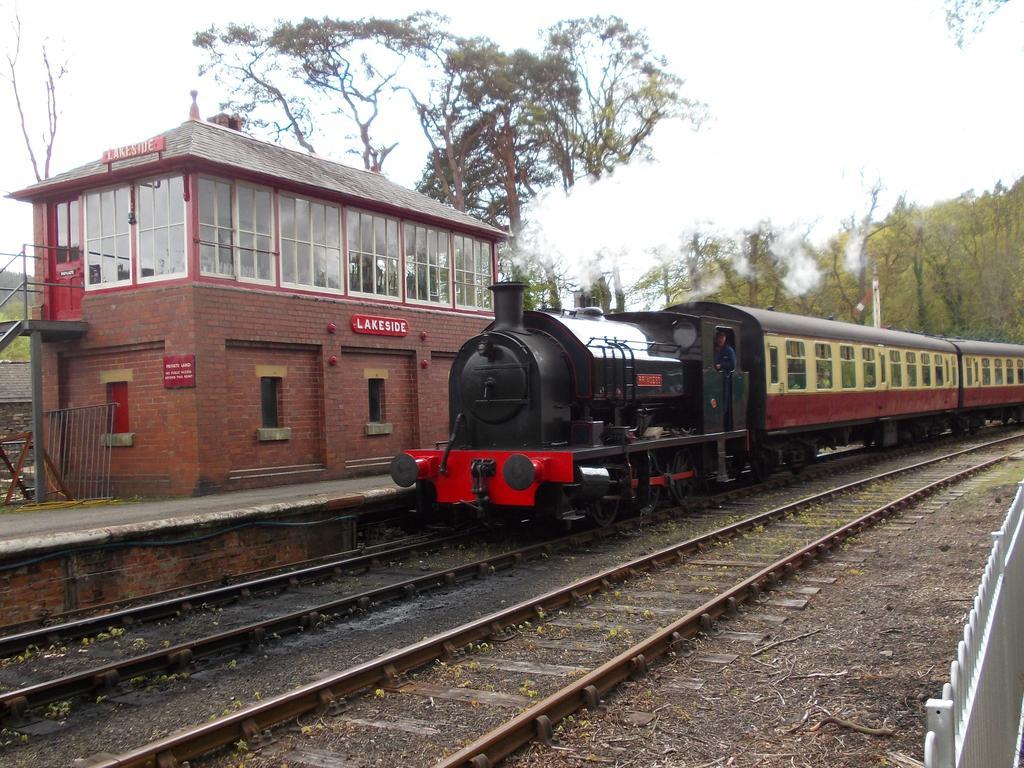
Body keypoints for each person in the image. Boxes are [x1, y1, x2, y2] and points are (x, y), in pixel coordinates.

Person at [714, 331, 736, 431]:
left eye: (722, 337)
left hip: (725, 379)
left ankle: (724, 424)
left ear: (725, 338)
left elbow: (733, 365)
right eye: (719, 337)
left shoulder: (729, 350)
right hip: (714, 379)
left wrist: (721, 365)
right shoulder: (714, 350)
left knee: (724, 402)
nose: (720, 339)